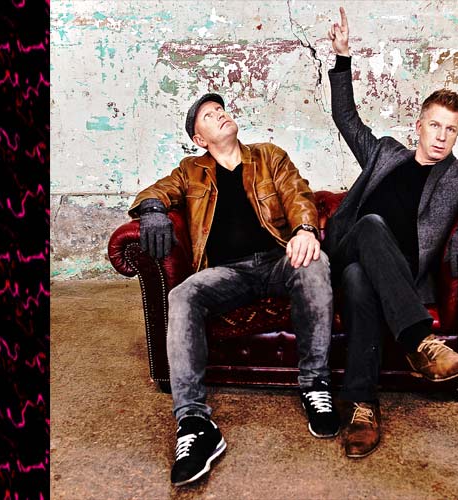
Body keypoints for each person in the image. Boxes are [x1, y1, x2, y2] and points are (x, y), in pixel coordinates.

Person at [128, 93, 339, 486]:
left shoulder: (268, 156)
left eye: (220, 109)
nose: (219, 114)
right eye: (209, 115)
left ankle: (315, 384)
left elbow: (298, 194)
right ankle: (194, 423)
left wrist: (305, 230)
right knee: (182, 295)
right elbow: (154, 192)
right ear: (199, 139)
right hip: (227, 273)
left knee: (315, 263)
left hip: (277, 260)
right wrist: (153, 210)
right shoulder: (190, 171)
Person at [323, 7, 458, 459]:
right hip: (348, 248)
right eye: (435, 125)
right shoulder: (385, 152)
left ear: (457, 135)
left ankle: (362, 408)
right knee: (370, 227)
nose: (441, 136)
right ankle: (421, 343)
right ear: (418, 126)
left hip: (395, 273)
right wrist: (343, 58)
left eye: (451, 130)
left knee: (360, 282)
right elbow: (346, 118)